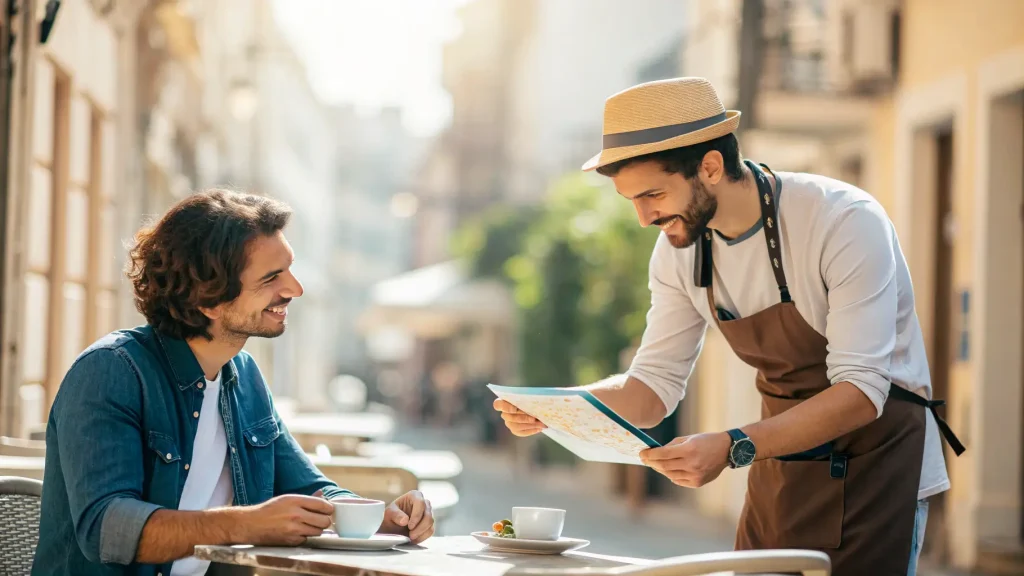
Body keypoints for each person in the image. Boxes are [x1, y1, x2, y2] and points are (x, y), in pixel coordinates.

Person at [493, 77, 963, 576]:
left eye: (653, 194)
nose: (643, 217)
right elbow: (651, 389)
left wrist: (733, 445)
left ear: (710, 167)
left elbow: (861, 392)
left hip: (876, 465)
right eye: (632, 200)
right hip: (778, 471)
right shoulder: (679, 252)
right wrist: (560, 408)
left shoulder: (842, 220)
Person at [32, 190, 434, 576]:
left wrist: (377, 515)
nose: (295, 289)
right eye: (271, 278)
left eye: (290, 269)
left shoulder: (244, 377)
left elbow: (308, 488)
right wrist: (244, 524)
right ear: (208, 298)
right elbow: (106, 529)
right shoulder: (111, 372)